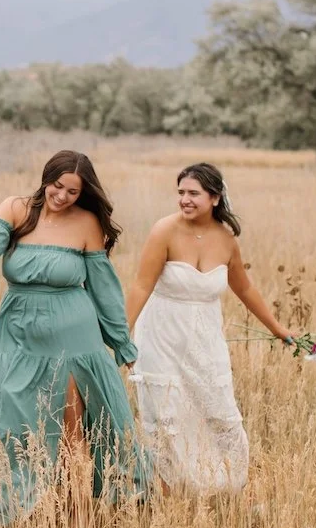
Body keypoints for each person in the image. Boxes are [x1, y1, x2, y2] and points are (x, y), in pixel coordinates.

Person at [0, 149, 149, 524]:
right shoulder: (16, 210)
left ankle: (79, 518)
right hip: (17, 333)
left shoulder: (88, 224)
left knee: (73, 431)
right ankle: (9, 507)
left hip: (73, 339)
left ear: (83, 194)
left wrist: (122, 343)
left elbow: (105, 290)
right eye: (58, 186)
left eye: (73, 192)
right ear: (46, 178)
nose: (62, 197)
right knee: (12, 425)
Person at [124, 162, 294, 494]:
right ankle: (168, 496)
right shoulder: (164, 230)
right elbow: (141, 286)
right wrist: (121, 337)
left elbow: (245, 288)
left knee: (219, 412)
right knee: (166, 418)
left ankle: (224, 489)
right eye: (181, 193)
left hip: (205, 339)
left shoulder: (226, 239)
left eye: (193, 194)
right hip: (161, 335)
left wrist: (277, 329)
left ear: (215, 197)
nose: (184, 200)